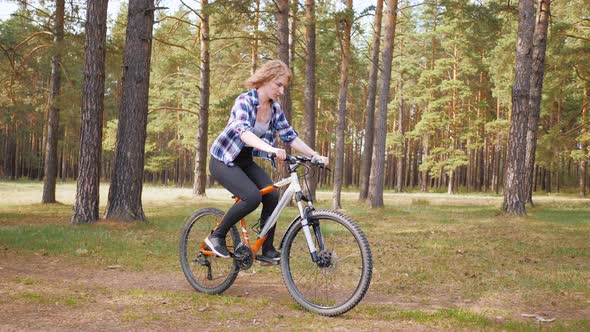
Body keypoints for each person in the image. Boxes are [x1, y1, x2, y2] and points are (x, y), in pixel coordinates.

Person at [206, 60, 329, 262]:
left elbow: (290, 136)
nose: (281, 90)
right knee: (252, 197)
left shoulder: (275, 109)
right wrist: (271, 149)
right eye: (278, 84)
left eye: (284, 87)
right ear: (265, 79)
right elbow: (243, 133)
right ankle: (216, 236)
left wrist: (314, 155)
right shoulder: (244, 101)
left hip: (244, 160)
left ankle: (267, 248)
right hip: (224, 159)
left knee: (272, 195)